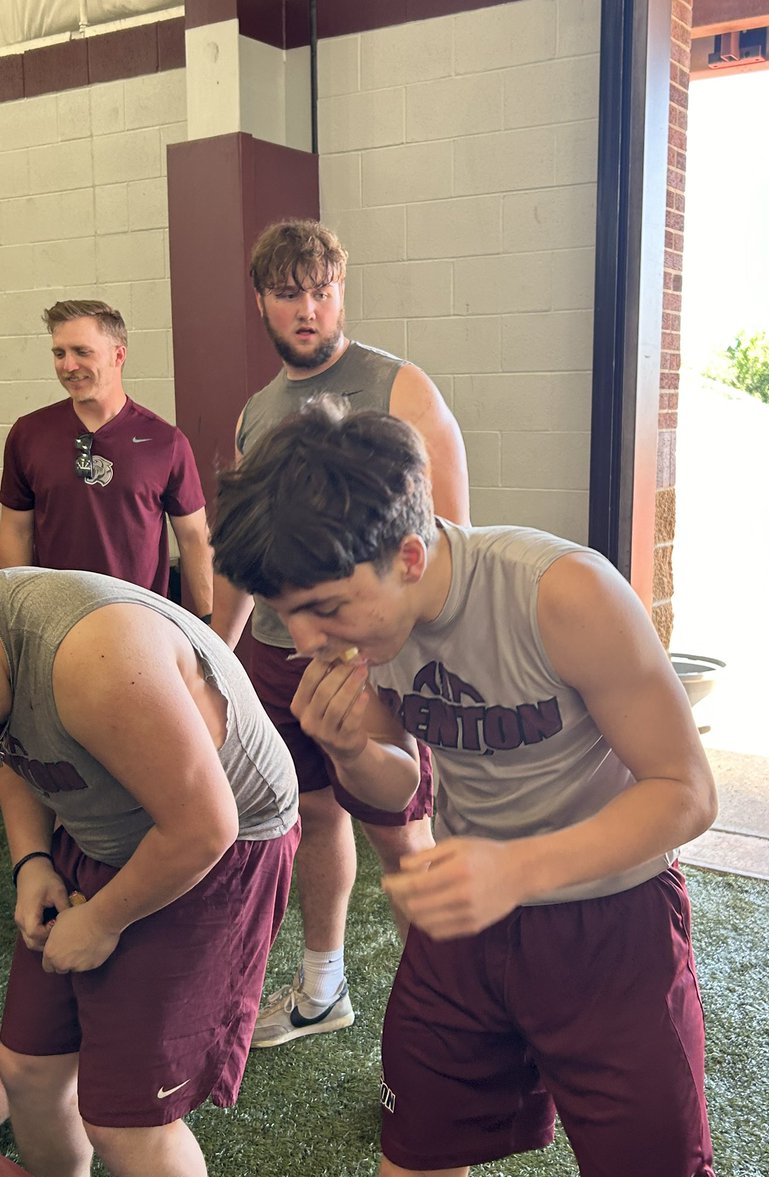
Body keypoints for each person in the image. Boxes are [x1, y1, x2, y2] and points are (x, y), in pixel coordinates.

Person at [210, 399, 722, 1177]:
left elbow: (687, 793)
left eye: (324, 608)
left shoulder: (563, 593)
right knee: (410, 1171)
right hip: (467, 923)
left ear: (409, 555)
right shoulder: (368, 633)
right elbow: (400, 781)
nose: (307, 639)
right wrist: (347, 747)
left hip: (610, 923)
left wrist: (518, 871)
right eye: (288, 613)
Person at [211, 219, 469, 1047]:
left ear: (340, 291)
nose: (308, 309)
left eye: (321, 291)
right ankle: (323, 989)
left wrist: (408, 657)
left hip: (374, 663)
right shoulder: (256, 413)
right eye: (289, 294)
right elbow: (244, 548)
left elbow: (449, 537)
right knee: (313, 817)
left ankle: (455, 1022)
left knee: (403, 836)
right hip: (281, 659)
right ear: (263, 302)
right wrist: (221, 647)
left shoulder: (400, 390)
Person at [0, 567, 299, 1177]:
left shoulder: (88, 658)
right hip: (105, 822)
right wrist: (31, 861)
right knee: (27, 1069)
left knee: (126, 1125)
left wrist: (104, 920)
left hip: (224, 837)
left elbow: (202, 828)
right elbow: (13, 746)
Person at [0, 300, 213, 617]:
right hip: (54, 625)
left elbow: (195, 538)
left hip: (142, 623)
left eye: (82, 352)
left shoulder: (166, 442)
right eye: (59, 354)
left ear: (118, 355)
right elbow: (15, 529)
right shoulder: (28, 433)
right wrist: (14, 620)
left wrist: (210, 627)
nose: (68, 365)